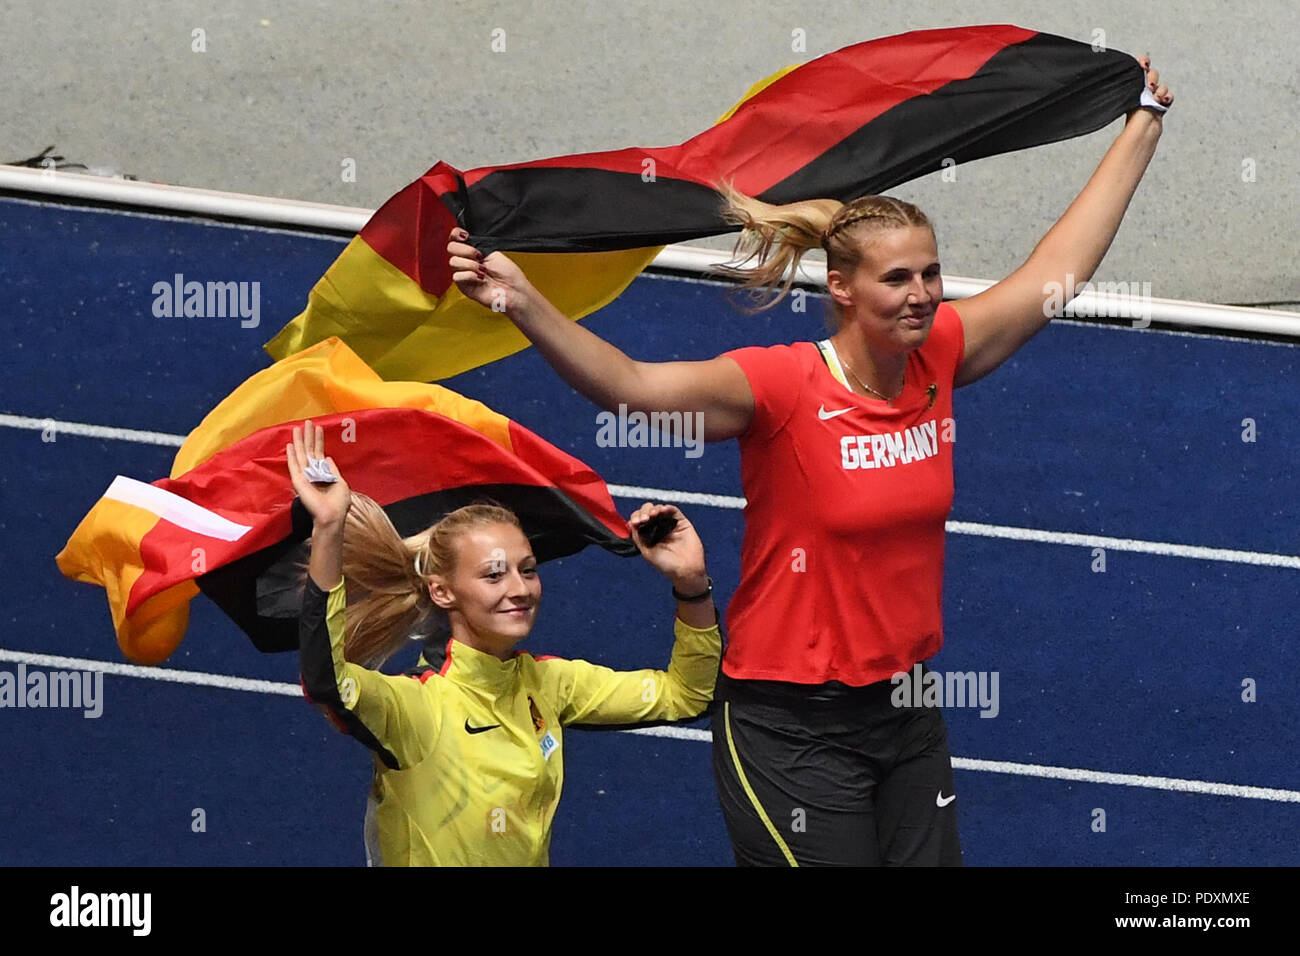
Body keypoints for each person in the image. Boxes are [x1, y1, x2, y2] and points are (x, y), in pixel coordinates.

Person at [444, 59, 1173, 866]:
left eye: (931, 274)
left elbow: (1054, 274)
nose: (923, 295)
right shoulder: (783, 385)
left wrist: (1142, 121)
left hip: (905, 706)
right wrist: (523, 300)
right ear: (844, 289)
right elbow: (634, 390)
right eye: (897, 278)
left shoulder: (939, 357)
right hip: (788, 726)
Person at [286, 419, 722, 866]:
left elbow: (686, 695)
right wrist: (329, 527)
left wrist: (690, 584)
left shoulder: (547, 683)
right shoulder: (418, 708)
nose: (520, 588)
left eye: (527, 569)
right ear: (442, 591)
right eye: (494, 574)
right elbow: (327, 680)